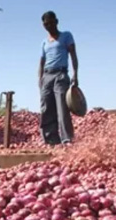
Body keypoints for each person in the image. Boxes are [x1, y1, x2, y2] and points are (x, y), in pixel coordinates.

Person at [38, 11, 78, 145]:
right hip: (47, 75)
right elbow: (41, 61)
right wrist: (40, 78)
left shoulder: (66, 36)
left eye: (50, 22)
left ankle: (67, 139)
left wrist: (75, 74)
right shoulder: (44, 42)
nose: (48, 26)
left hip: (60, 74)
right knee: (46, 108)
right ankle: (51, 140)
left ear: (56, 21)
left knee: (62, 107)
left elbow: (73, 54)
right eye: (45, 24)